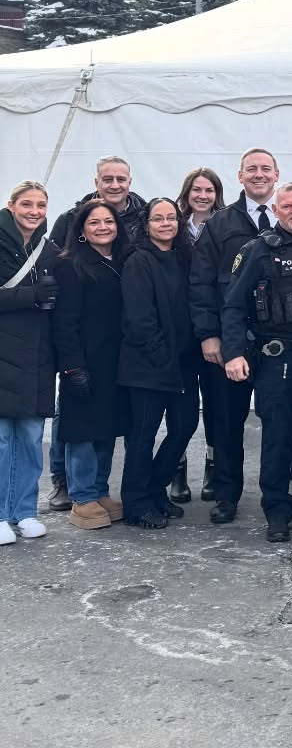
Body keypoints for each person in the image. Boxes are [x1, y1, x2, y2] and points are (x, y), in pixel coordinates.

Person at [220, 182, 292, 541]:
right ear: (275, 210)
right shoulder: (256, 250)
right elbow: (233, 306)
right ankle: (276, 508)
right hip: (277, 358)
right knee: (278, 436)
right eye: (286, 206)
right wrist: (234, 352)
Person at [190, 147, 281, 523]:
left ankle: (281, 493)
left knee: (280, 420)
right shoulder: (219, 224)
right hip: (231, 341)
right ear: (240, 176)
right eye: (251, 169)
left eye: (265, 169)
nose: (258, 175)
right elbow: (200, 283)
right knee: (228, 421)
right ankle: (227, 494)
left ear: (276, 175)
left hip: (281, 343)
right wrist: (209, 336)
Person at [118, 198, 200, 530]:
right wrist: (161, 358)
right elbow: (139, 319)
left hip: (182, 362)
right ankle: (136, 504)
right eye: (158, 218)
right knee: (142, 436)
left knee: (184, 427)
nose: (165, 223)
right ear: (146, 224)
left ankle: (154, 490)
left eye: (171, 218)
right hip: (147, 363)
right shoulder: (139, 261)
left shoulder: (184, 258)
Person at [53, 199, 128, 529]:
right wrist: (72, 367)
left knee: (106, 429)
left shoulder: (123, 260)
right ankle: (82, 497)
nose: (103, 227)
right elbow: (64, 321)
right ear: (81, 230)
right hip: (83, 362)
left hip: (115, 362)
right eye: (94, 223)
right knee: (82, 432)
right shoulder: (70, 265)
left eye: (108, 222)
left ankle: (99, 490)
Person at [0, 180, 60, 545]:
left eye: (40, 205)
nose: (34, 211)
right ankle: (1, 514)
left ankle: (25, 511)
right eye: (27, 204)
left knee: (31, 437)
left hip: (37, 353)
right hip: (3, 351)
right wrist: (30, 295)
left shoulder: (48, 248)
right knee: (2, 440)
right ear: (11, 205)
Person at [173, 166, 225, 504]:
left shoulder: (224, 225)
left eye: (208, 190)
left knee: (217, 406)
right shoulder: (173, 226)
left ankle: (213, 467)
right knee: (181, 408)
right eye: (196, 189)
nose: (202, 195)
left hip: (213, 331)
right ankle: (177, 470)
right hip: (179, 332)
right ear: (187, 193)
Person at [50, 155, 148, 256]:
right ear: (97, 183)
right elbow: (53, 261)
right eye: (108, 180)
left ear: (129, 182)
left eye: (121, 180)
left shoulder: (147, 219)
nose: (115, 186)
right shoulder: (70, 219)